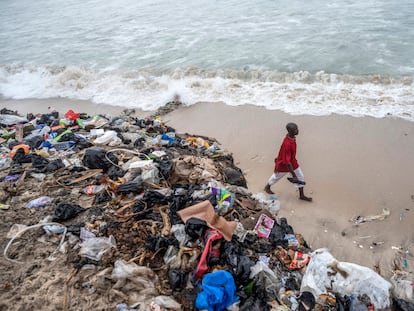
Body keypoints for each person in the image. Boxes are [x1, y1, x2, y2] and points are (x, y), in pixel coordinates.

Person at [264, 122, 312, 201]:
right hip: (284, 164)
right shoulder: (287, 144)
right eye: (295, 130)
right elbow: (287, 162)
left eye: (297, 128)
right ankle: (267, 187)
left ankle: (301, 195)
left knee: (301, 177)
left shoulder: (291, 137)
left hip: (293, 161)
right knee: (276, 177)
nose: (298, 130)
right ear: (290, 131)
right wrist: (293, 175)